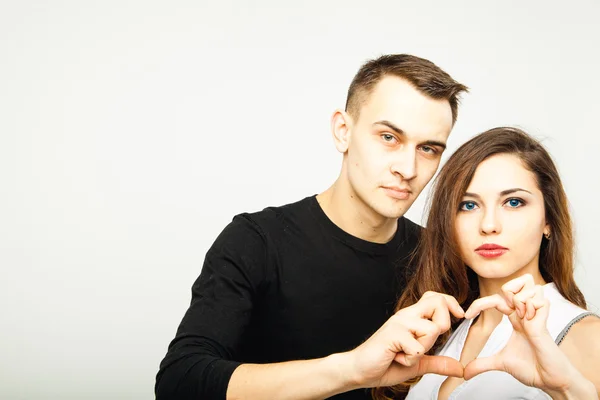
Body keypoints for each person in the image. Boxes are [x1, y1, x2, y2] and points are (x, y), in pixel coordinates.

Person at [155, 54, 468, 400]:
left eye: (428, 149)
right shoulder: (257, 241)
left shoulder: (440, 259)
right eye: (389, 137)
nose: (408, 168)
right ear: (343, 131)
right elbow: (179, 382)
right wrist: (352, 370)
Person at [373, 127, 600, 400]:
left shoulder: (588, 338)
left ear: (548, 220)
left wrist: (567, 391)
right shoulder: (443, 332)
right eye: (468, 205)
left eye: (514, 202)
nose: (489, 225)